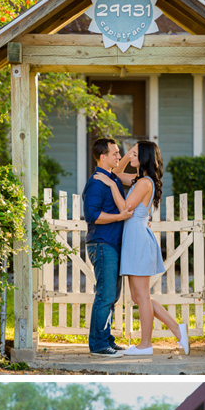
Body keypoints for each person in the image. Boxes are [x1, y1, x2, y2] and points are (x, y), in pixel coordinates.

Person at [94, 140, 189, 357]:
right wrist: (128, 154)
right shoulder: (138, 180)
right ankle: (177, 329)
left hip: (137, 239)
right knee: (139, 297)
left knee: (143, 297)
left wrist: (110, 186)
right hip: (133, 238)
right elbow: (115, 173)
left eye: (136, 154)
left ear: (145, 158)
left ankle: (146, 344)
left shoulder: (145, 183)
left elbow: (124, 208)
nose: (129, 158)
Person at [83, 138, 135, 357]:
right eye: (114, 153)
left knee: (111, 296)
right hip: (102, 244)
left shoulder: (110, 178)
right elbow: (92, 215)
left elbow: (126, 174)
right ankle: (98, 345)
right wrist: (120, 216)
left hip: (112, 244)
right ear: (102, 157)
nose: (118, 156)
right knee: (105, 295)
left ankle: (106, 340)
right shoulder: (97, 182)